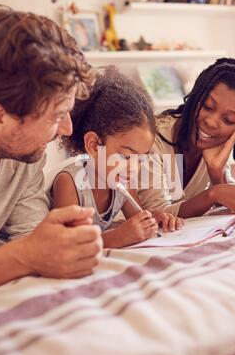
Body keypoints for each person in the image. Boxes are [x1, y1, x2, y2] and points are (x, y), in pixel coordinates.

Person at [0, 4, 103, 289]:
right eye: (58, 116)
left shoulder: (23, 159)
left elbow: (30, 239)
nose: (68, 129)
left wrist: (58, 245)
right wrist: (26, 257)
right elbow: (27, 253)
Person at [52, 67, 184, 248]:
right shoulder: (69, 182)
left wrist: (155, 219)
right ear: (94, 145)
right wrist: (118, 237)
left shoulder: (121, 182)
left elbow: (139, 217)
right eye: (126, 156)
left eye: (142, 159)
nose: (135, 168)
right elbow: (68, 245)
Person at [138, 58, 235, 217]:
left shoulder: (214, 146)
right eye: (207, 107)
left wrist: (217, 174)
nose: (211, 122)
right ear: (196, 96)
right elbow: (158, 215)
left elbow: (230, 210)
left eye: (228, 120)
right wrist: (213, 193)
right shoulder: (150, 138)